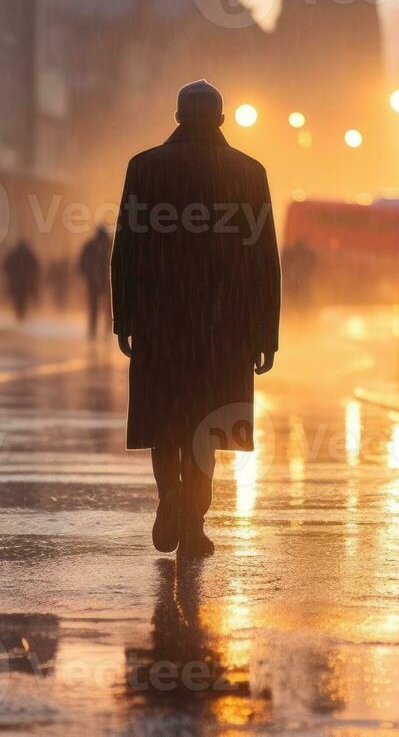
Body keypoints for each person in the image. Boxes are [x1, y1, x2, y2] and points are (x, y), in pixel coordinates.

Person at [111, 80, 280, 558]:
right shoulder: (248, 172)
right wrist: (265, 332)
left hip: (160, 321)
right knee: (208, 424)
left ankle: (170, 496)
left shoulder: (144, 168)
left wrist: (124, 316)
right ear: (221, 120)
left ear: (178, 117)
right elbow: (263, 259)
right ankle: (195, 518)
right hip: (224, 328)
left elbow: (126, 248)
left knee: (164, 420)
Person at [79, 226, 112, 338]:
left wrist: (86, 275)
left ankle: (96, 332)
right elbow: (82, 263)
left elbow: (81, 263)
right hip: (105, 282)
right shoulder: (109, 245)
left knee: (100, 309)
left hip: (100, 282)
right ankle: (102, 332)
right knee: (106, 309)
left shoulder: (91, 246)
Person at [3, 239, 40, 321]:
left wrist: (11, 273)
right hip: (25, 282)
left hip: (16, 281)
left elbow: (5, 266)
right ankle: (22, 314)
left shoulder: (13, 254)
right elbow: (36, 266)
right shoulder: (29, 254)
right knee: (24, 298)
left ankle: (19, 314)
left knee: (17, 298)